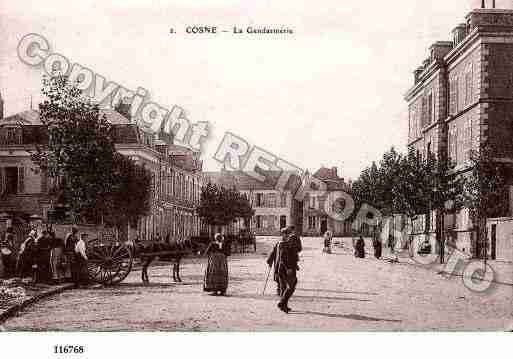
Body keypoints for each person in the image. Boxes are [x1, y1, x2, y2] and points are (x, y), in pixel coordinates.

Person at [275, 229, 302, 313]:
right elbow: (282, 259)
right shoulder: (284, 245)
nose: (298, 247)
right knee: (290, 287)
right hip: (284, 270)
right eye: (297, 244)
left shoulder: (292, 247)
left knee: (291, 286)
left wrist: (296, 266)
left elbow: (293, 257)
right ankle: (282, 303)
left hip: (290, 269)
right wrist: (288, 268)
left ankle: (283, 304)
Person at [267, 228, 289, 296]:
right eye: (284, 234)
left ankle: (282, 291)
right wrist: (270, 261)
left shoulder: (289, 243)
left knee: (284, 278)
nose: (286, 235)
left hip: (286, 264)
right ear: (282, 235)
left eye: (287, 234)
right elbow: (273, 252)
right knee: (279, 278)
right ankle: (280, 290)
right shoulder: (279, 243)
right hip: (279, 263)